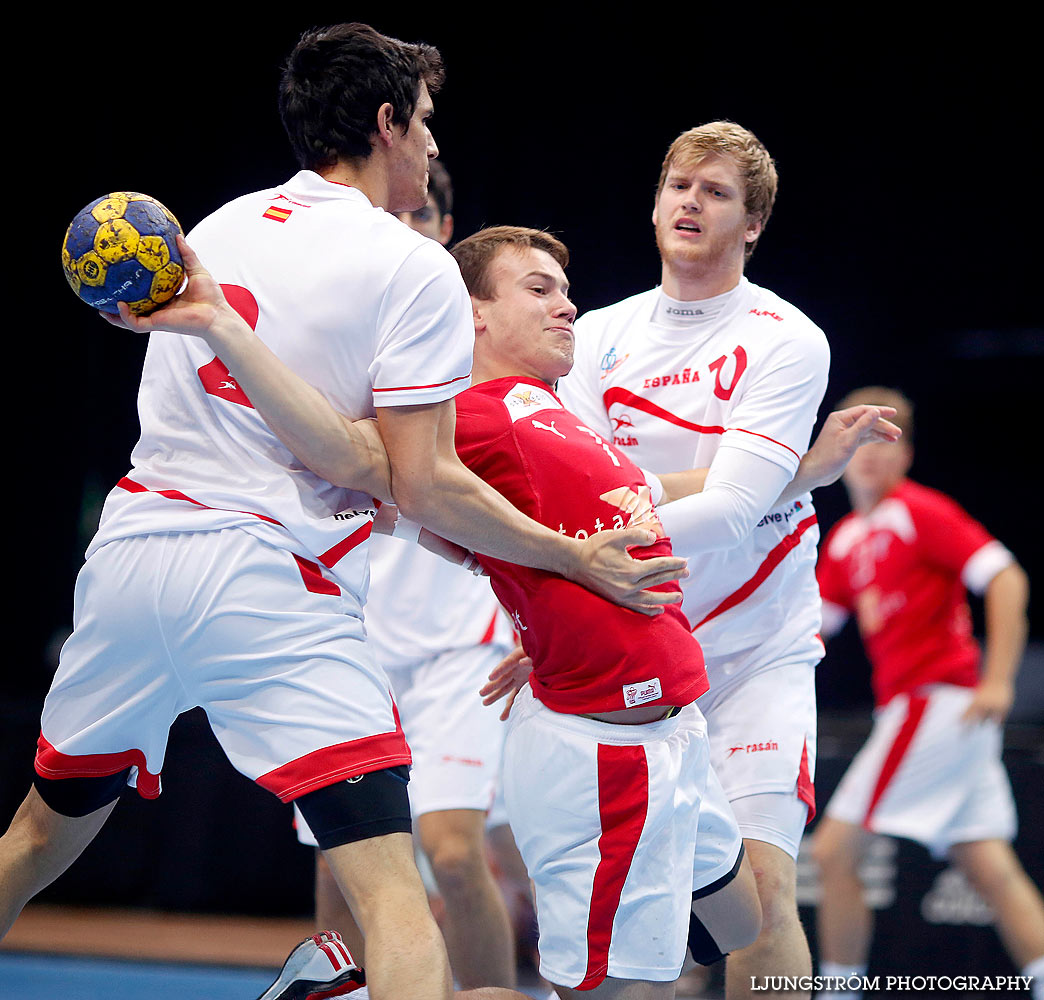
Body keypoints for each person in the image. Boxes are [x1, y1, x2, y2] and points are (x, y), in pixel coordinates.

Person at [0, 25, 687, 1000]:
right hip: (266, 575)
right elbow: (418, 480)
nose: (432, 147)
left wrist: (408, 496)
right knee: (391, 894)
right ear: (385, 123)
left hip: (130, 557)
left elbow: (376, 472)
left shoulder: (217, 225)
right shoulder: (410, 267)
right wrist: (569, 558)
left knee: (33, 838)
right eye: (424, 124)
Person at [105, 222, 895, 996]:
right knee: (606, 985)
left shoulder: (556, 412)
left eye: (568, 291)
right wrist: (220, 326)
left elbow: (669, 499)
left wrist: (803, 472)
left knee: (739, 921)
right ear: (473, 312)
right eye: (539, 289)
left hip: (676, 729)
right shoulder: (455, 426)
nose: (567, 307)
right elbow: (343, 450)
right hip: (602, 749)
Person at [557, 120, 831, 1000]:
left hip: (756, 649)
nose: (690, 203)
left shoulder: (787, 337)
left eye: (715, 193)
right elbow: (571, 494)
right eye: (679, 185)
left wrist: (600, 526)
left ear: (752, 224)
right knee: (647, 907)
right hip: (638, 636)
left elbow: (735, 511)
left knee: (761, 889)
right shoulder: (598, 333)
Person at [297, 160, 522, 989]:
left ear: (445, 233)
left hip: (463, 639)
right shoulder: (330, 333)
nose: (411, 225)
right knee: (341, 861)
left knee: (455, 854)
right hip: (352, 628)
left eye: (428, 215)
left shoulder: (476, 339)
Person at [810, 386, 1044, 1000]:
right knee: (989, 866)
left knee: (833, 851)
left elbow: (1006, 576)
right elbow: (806, 635)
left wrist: (999, 680)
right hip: (928, 712)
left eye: (884, 437)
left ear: (905, 454)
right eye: (857, 434)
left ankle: (838, 992)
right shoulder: (842, 542)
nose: (867, 451)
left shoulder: (917, 511)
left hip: (935, 704)